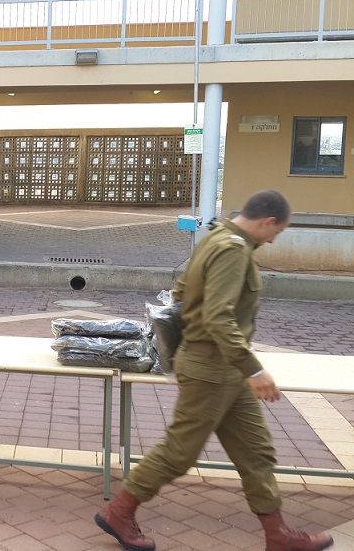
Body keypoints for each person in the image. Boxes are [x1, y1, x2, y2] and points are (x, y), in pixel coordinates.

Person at [95, 190, 333, 551]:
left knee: (256, 451)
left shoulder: (217, 239)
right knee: (180, 452)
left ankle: (278, 534)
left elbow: (181, 293)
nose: (274, 239)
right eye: (278, 232)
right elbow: (218, 317)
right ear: (267, 221)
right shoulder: (231, 252)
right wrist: (253, 370)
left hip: (224, 370)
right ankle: (120, 511)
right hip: (211, 368)